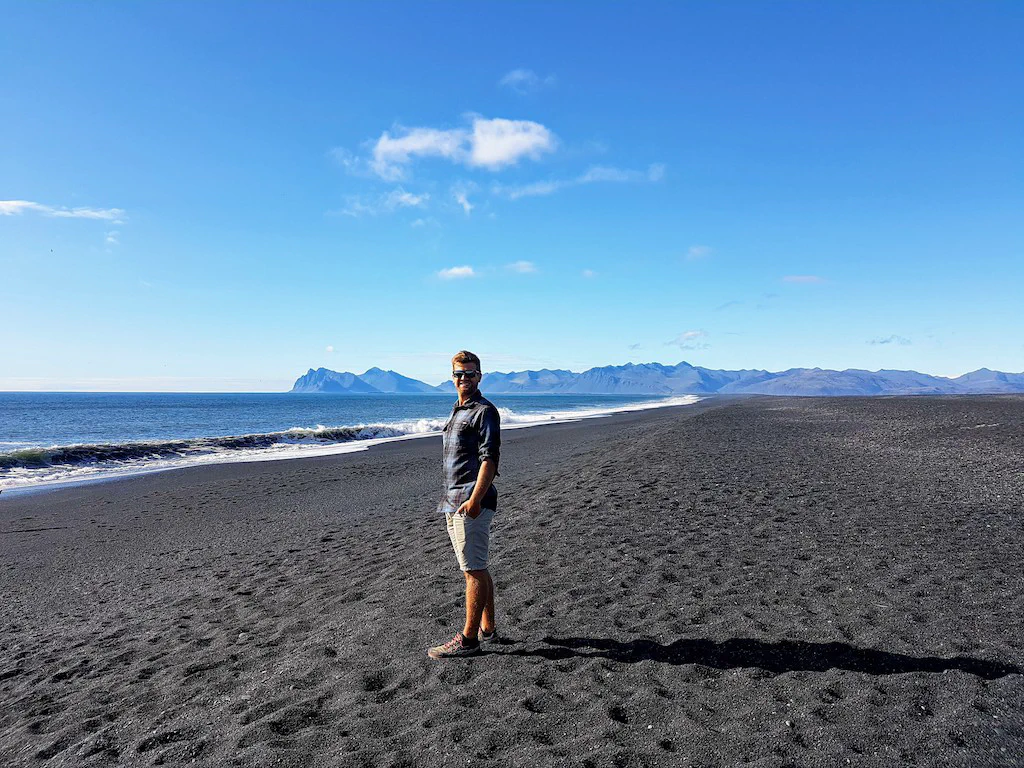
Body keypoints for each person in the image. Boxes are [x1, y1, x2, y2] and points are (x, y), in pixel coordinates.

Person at [427, 350, 501, 659]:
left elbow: (491, 459)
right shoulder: (458, 409)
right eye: (459, 373)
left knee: (473, 570)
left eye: (470, 373)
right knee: (477, 567)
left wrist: (474, 500)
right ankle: (489, 629)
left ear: (480, 376)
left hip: (470, 502)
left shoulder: (484, 411)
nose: (464, 378)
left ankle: (469, 641)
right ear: (452, 376)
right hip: (453, 501)